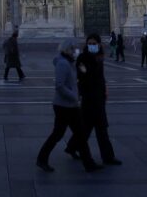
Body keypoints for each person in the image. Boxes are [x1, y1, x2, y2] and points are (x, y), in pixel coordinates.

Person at [36, 40, 100, 173]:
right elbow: (59, 85)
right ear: (67, 50)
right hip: (64, 106)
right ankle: (42, 159)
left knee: (80, 135)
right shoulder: (63, 64)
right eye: (74, 49)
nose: (76, 51)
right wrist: (74, 96)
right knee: (58, 134)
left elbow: (73, 81)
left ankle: (88, 163)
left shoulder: (69, 63)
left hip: (70, 105)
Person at [69, 33, 122, 166]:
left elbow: (100, 77)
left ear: (99, 44)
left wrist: (105, 89)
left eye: (94, 43)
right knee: (97, 127)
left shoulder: (99, 57)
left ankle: (72, 147)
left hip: (98, 97)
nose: (92, 46)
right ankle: (107, 157)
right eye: (90, 43)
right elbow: (83, 74)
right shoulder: (83, 57)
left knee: (93, 127)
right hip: (88, 97)